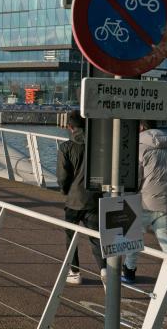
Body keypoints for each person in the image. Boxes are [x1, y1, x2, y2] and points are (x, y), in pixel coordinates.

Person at [122, 120, 167, 291]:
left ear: (142, 127)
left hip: (143, 202)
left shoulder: (139, 148)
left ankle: (129, 272)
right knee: (166, 242)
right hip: (164, 202)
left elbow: (134, 179)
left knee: (133, 238)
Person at [57, 111, 106, 285]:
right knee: (96, 237)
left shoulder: (65, 147)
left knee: (71, 236)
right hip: (94, 197)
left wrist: (65, 191)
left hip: (73, 200)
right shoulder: (99, 144)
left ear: (70, 127)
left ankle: (75, 272)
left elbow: (63, 177)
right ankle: (104, 269)